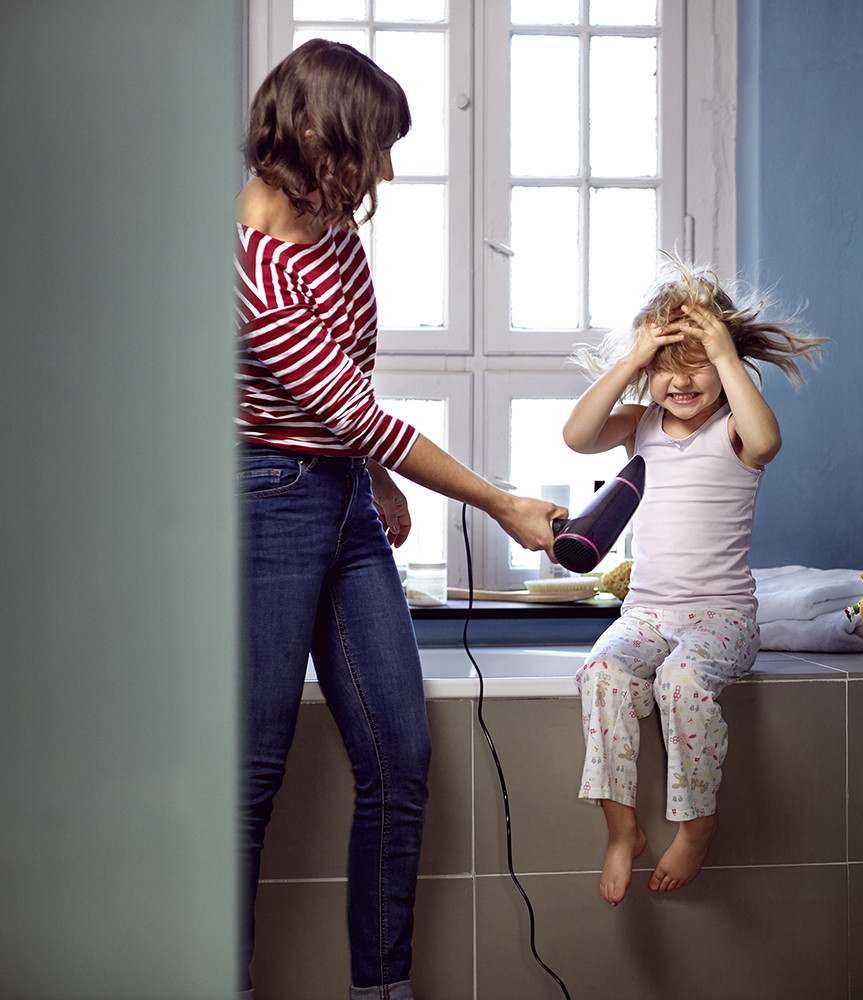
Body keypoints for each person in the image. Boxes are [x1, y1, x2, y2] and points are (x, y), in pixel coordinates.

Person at [235, 39, 565, 1000]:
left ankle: (381, 991)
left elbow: (350, 383)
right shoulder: (253, 267)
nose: (384, 170)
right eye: (374, 147)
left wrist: (375, 480)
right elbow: (352, 409)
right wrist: (500, 501)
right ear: (314, 135)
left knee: (400, 758)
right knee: (249, 776)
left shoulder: (330, 226)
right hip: (267, 503)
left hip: (342, 496)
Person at [563, 256, 827, 905]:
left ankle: (697, 822)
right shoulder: (640, 426)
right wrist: (632, 359)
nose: (681, 380)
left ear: (726, 363)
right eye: (665, 366)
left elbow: (767, 441)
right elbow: (577, 436)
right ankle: (621, 828)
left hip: (722, 619)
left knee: (680, 681)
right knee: (602, 673)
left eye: (699, 363)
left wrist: (725, 353)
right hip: (646, 614)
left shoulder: (734, 429)